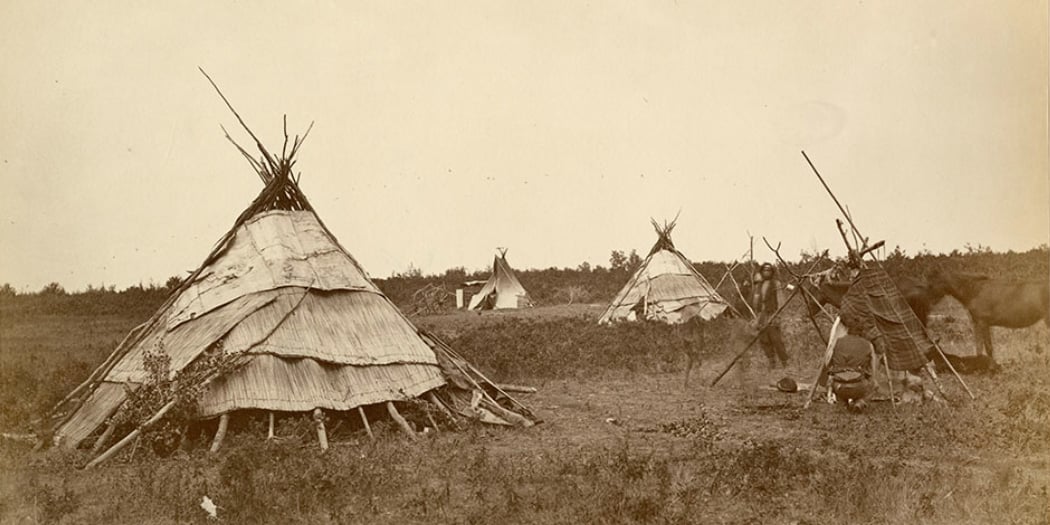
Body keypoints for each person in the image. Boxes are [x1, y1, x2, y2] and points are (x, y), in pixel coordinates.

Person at [827, 313, 878, 412]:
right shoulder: (868, 345)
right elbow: (873, 372)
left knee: (834, 381)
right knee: (874, 385)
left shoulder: (837, 342)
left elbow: (828, 363)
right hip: (858, 386)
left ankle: (843, 403)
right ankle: (860, 402)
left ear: (847, 329)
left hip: (838, 386)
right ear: (862, 331)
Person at [751, 262, 790, 369]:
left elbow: (780, 299)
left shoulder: (775, 284)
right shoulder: (758, 285)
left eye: (769, 270)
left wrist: (778, 315)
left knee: (776, 339)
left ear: (772, 272)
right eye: (764, 270)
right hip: (761, 316)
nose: (766, 272)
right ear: (761, 271)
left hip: (772, 314)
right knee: (764, 339)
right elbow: (755, 301)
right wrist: (756, 315)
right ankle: (771, 362)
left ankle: (785, 362)